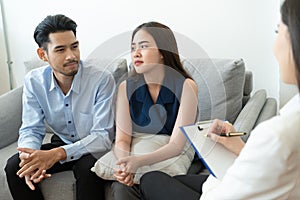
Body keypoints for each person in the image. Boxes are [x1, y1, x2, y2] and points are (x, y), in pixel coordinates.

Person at [140, 0, 300, 199]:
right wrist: (238, 147)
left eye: (278, 32)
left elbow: (218, 195)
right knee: (159, 179)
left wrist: (219, 173)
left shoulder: (277, 134)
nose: (275, 48)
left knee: (151, 180)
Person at [4, 14, 115, 200]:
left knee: (88, 169)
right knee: (16, 167)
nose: (71, 56)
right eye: (60, 50)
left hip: (93, 147)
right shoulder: (34, 81)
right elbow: (31, 128)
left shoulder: (102, 79)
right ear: (43, 55)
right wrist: (28, 156)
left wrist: (58, 154)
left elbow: (103, 137)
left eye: (74, 46)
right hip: (62, 141)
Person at [111, 21, 198, 200]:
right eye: (133, 47)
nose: (136, 53)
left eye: (144, 46)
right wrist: (124, 164)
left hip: (174, 153)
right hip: (138, 150)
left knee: (157, 182)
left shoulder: (186, 86)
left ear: (163, 52)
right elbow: (122, 139)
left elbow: (176, 145)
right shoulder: (125, 87)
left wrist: (138, 162)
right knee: (121, 188)